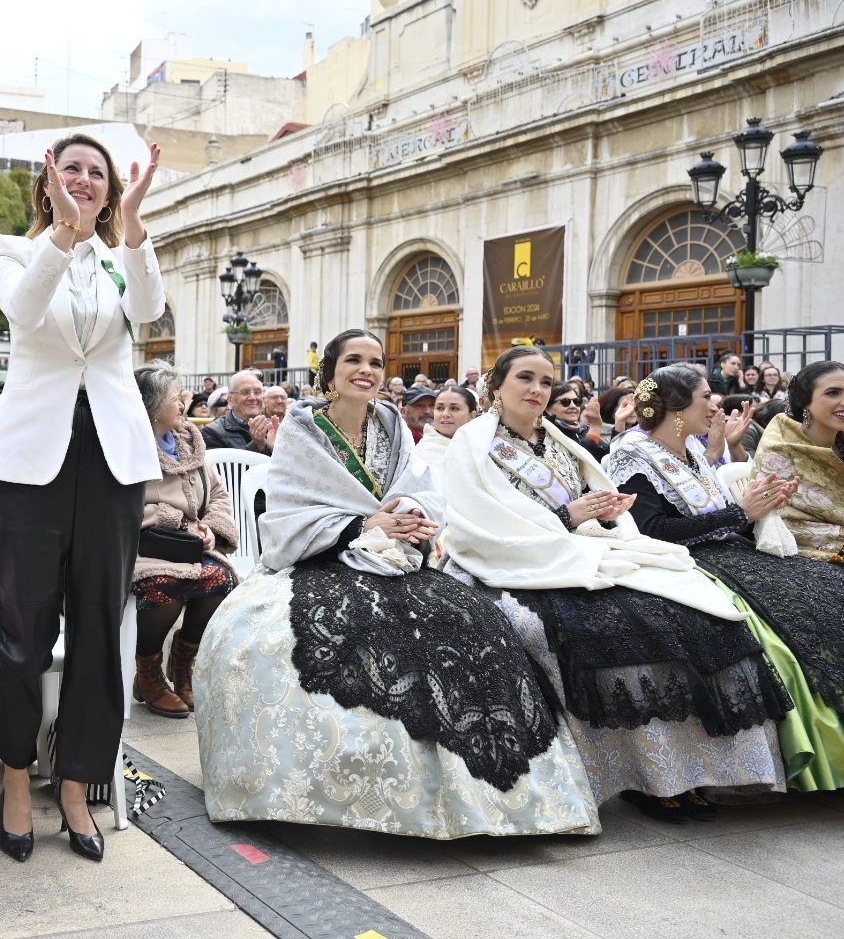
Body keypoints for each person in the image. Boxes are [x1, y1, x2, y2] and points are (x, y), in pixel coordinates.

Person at [196, 330, 595, 838]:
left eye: (376, 362)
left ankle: (493, 792)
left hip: (397, 556)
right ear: (330, 372)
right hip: (324, 555)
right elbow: (293, 505)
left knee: (468, 621)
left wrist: (410, 517)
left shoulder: (392, 423)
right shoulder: (303, 426)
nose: (366, 370)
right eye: (354, 361)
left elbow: (419, 488)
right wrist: (363, 525)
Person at [440, 346, 790, 820]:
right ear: (496, 385)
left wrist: (606, 517)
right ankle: (639, 776)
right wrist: (568, 517)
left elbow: (596, 508)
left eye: (547, 381)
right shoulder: (472, 442)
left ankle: (684, 769)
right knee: (595, 633)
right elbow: (478, 525)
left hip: (582, 553)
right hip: (512, 564)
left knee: (679, 617)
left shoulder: (560, 442)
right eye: (526, 378)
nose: (539, 390)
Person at [0, 132, 165, 863]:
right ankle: (19, 780)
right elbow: (25, 316)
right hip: (30, 460)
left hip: (114, 458)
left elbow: (148, 311)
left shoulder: (122, 261)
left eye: (98, 174)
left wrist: (136, 226)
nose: (86, 181)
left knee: (98, 626)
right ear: (48, 182)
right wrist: (63, 234)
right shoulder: (15, 249)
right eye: (72, 170)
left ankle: (79, 783)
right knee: (25, 631)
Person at [605, 364, 842, 791]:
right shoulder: (632, 453)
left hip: (731, 553)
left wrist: (760, 509)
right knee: (790, 625)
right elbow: (651, 529)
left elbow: (722, 521)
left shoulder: (693, 450)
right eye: (706, 396)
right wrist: (740, 513)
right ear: (675, 408)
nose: (716, 404)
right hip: (689, 562)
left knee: (825, 590)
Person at [130, 363, 237, 719]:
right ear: (152, 405)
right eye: (174, 397)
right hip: (147, 548)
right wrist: (177, 522)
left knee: (220, 581)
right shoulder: (128, 446)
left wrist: (209, 526)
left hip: (190, 545)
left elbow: (218, 493)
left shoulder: (189, 439)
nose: (183, 403)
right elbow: (120, 506)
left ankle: (183, 661)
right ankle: (147, 669)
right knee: (167, 586)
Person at [755, 360, 844, 565]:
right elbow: (777, 516)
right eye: (832, 393)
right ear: (805, 400)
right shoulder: (782, 446)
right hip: (805, 554)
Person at [200, 370, 276, 454]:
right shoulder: (212, 432)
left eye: (257, 392)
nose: (252, 398)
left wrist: (275, 449)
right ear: (230, 400)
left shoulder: (274, 428)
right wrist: (256, 444)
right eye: (245, 392)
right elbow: (224, 466)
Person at [413, 384, 475, 465]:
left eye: (454, 408)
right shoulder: (420, 454)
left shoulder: (483, 448)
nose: (445, 414)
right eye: (440, 408)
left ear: (472, 416)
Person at [548, 381, 608, 460]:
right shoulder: (547, 433)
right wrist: (595, 427)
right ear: (548, 408)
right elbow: (582, 462)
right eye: (565, 401)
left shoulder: (582, 429)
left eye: (576, 401)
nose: (573, 406)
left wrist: (619, 424)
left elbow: (608, 457)